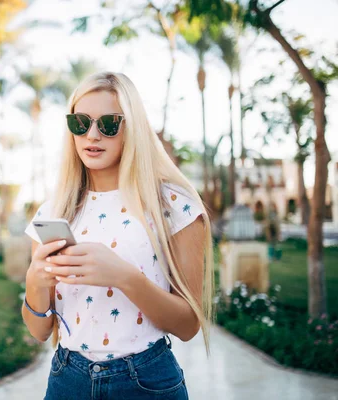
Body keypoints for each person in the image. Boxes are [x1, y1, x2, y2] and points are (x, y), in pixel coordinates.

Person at [22, 72, 214, 400]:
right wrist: (35, 282)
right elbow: (40, 331)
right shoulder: (53, 211)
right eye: (80, 123)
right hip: (67, 380)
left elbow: (188, 326)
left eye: (108, 123)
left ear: (131, 128)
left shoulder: (174, 207)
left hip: (146, 382)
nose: (92, 135)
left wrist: (124, 277)